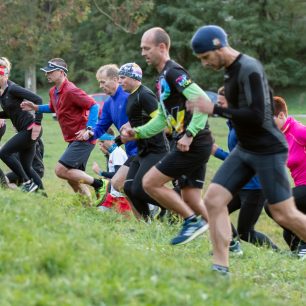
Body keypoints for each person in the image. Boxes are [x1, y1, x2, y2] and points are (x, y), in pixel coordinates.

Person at [190, 25, 306, 274]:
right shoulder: (230, 72)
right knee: (213, 200)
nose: (205, 64)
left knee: (284, 214)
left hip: (267, 150)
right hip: (246, 148)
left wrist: (215, 110)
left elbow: (256, 115)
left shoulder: (249, 68)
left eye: (206, 57)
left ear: (218, 46)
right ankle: (220, 268)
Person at [121, 27, 213, 245]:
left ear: (162, 47)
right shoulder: (162, 78)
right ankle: (231, 241)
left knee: (150, 183)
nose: (143, 53)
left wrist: (189, 134)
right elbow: (162, 118)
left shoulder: (174, 73)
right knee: (191, 198)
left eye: (146, 48)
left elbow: (202, 102)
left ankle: (191, 222)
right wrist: (138, 132)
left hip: (194, 142)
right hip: (186, 143)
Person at [21, 58, 103, 202]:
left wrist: (89, 129)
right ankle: (87, 207)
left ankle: (100, 184)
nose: (47, 74)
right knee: (71, 177)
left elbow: (94, 105)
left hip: (84, 137)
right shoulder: (53, 91)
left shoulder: (71, 91)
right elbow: (54, 108)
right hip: (72, 139)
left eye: (51, 71)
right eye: (47, 71)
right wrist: (35, 108)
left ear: (61, 72)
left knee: (61, 170)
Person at [212, 86, 278, 253]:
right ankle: (231, 246)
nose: (218, 107)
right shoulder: (232, 122)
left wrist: (216, 152)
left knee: (246, 232)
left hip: (255, 187)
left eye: (221, 103)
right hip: (240, 184)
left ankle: (278, 253)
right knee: (216, 209)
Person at [118, 62, 169, 220]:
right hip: (142, 150)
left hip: (156, 149)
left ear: (134, 78)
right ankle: (147, 224)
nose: (120, 81)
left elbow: (160, 121)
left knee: (139, 189)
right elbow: (139, 119)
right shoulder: (132, 95)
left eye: (122, 77)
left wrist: (138, 132)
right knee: (128, 188)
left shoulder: (144, 94)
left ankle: (174, 205)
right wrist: (127, 129)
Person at [80, 64, 138, 194]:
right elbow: (101, 126)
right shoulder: (108, 104)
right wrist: (90, 133)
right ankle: (149, 212)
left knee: (131, 186)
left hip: (146, 148)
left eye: (103, 82)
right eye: (99, 82)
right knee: (121, 185)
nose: (100, 86)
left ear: (116, 79)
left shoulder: (129, 96)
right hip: (131, 151)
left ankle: (159, 209)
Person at [265, 96, 306, 258]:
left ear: (282, 116)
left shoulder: (299, 131)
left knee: (273, 204)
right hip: (301, 186)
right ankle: (299, 255)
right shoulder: (280, 136)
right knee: (288, 236)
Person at [0, 56, 44, 192]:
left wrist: (37, 123)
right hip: (25, 130)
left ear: (5, 74)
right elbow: (10, 113)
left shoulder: (13, 89)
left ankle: (26, 182)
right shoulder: (3, 94)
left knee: (4, 153)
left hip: (30, 129)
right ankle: (42, 196)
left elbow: (38, 99)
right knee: (27, 167)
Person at [93, 129, 131, 215]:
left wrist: (100, 172)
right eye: (99, 141)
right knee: (100, 215)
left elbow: (118, 175)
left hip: (121, 197)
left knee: (124, 220)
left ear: (111, 140)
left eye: (102, 141)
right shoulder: (113, 153)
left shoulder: (117, 153)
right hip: (113, 195)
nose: (100, 144)